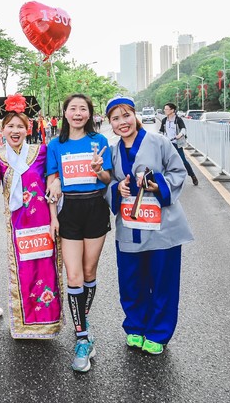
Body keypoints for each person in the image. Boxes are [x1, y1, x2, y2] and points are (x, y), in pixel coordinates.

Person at [107, 96, 194, 355]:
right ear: (110, 124)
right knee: (130, 279)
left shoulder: (160, 142)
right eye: (115, 118)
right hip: (130, 226)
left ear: (135, 116)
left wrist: (159, 185)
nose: (122, 122)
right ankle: (135, 326)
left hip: (162, 226)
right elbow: (108, 181)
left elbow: (178, 172)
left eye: (126, 115)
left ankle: (158, 332)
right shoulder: (113, 150)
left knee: (162, 280)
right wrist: (117, 187)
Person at [0, 94, 63, 339]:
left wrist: (57, 181)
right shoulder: (0, 157)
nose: (15, 130)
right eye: (10, 126)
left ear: (28, 128)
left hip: (43, 224)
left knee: (46, 271)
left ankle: (48, 323)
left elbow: (54, 177)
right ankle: (23, 325)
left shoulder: (41, 151)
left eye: (20, 125)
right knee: (23, 272)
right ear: (2, 129)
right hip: (17, 227)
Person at [46, 93, 113, 373]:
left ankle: (81, 320)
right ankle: (82, 338)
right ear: (64, 113)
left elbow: (108, 178)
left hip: (95, 208)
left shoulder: (100, 142)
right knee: (73, 275)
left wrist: (99, 170)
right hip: (69, 212)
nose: (77, 113)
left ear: (89, 114)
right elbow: (50, 179)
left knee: (88, 274)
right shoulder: (55, 144)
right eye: (72, 108)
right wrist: (53, 212)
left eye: (82, 109)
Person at [162, 103, 199, 186]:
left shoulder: (178, 120)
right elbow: (161, 131)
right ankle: (167, 180)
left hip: (176, 144)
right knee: (165, 162)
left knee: (183, 161)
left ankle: (192, 175)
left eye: (166, 109)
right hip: (167, 144)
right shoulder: (164, 120)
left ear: (172, 110)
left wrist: (180, 135)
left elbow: (183, 129)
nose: (165, 111)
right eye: (164, 109)